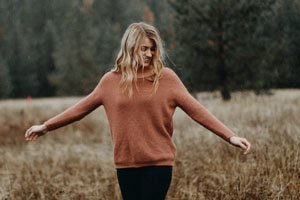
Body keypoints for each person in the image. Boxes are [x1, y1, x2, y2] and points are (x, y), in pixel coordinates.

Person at [25, 22, 251, 200]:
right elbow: (81, 108)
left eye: (153, 49)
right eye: (144, 48)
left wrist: (229, 136)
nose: (150, 54)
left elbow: (197, 110)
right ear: (130, 48)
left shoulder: (167, 79)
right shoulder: (110, 81)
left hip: (158, 164)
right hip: (125, 164)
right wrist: (46, 126)